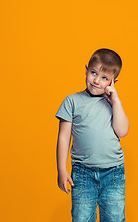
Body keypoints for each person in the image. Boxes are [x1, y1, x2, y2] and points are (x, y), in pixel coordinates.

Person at [55, 48, 129, 221]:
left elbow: (122, 131)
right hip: (83, 173)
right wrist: (61, 169)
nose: (96, 80)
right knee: (82, 218)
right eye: (93, 73)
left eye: (104, 78)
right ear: (86, 69)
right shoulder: (72, 101)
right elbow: (64, 137)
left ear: (113, 82)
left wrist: (116, 101)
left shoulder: (112, 104)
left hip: (113, 173)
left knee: (114, 218)